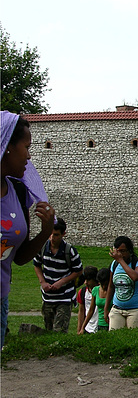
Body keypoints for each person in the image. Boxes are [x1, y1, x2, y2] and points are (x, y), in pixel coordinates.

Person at [1, 112, 54, 348]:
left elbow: (20, 258)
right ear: (7, 146)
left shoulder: (19, 192)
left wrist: (46, 230)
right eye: (26, 146)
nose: (29, 156)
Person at [33, 217, 83, 333]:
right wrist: (42, 282)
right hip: (48, 297)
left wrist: (62, 282)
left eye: (55, 235)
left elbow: (78, 271)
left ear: (63, 234)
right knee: (49, 330)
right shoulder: (42, 248)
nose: (52, 238)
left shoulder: (69, 251)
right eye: (50, 234)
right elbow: (36, 265)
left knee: (59, 331)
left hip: (64, 297)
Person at [105, 236, 138, 330]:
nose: (120, 254)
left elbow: (135, 277)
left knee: (133, 338)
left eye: (123, 251)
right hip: (117, 309)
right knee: (115, 338)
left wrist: (120, 260)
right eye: (118, 251)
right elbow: (111, 286)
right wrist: (106, 308)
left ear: (130, 251)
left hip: (136, 310)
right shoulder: (114, 264)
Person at [81, 268, 110, 333]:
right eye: (102, 284)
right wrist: (83, 327)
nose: (104, 287)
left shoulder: (113, 291)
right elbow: (91, 310)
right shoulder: (95, 290)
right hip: (100, 324)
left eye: (106, 284)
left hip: (112, 323)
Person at [76, 266, 99, 334]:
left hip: (99, 324)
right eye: (84, 280)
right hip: (87, 327)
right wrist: (80, 328)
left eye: (88, 280)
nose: (85, 282)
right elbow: (81, 311)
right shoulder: (82, 292)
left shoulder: (101, 291)